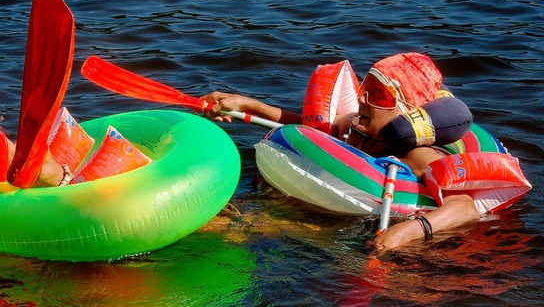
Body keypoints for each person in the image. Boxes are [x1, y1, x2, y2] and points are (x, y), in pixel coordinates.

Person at [201, 53, 480, 250]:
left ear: (408, 110)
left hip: (349, 229)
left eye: (377, 95)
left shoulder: (420, 155)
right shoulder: (357, 127)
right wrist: (247, 104)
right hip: (318, 206)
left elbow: (465, 206)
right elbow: (307, 131)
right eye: (364, 89)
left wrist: (405, 233)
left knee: (230, 229)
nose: (361, 99)